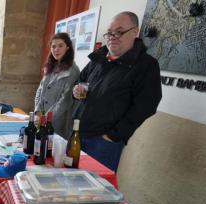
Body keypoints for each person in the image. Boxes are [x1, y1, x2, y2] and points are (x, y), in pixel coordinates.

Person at [72, 11, 162, 171]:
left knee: (94, 192)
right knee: (68, 182)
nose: (113, 36)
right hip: (78, 132)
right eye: (109, 33)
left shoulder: (146, 65)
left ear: (135, 32)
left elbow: (147, 105)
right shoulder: (98, 58)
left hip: (103, 142)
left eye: (119, 32)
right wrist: (76, 90)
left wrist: (114, 135)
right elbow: (80, 80)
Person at [34, 32, 80, 139]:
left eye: (60, 46)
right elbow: (40, 90)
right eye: (53, 46)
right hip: (42, 119)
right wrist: (37, 111)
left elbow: (65, 101)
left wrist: (46, 119)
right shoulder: (50, 66)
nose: (56, 49)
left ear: (67, 47)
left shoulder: (73, 71)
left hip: (57, 123)